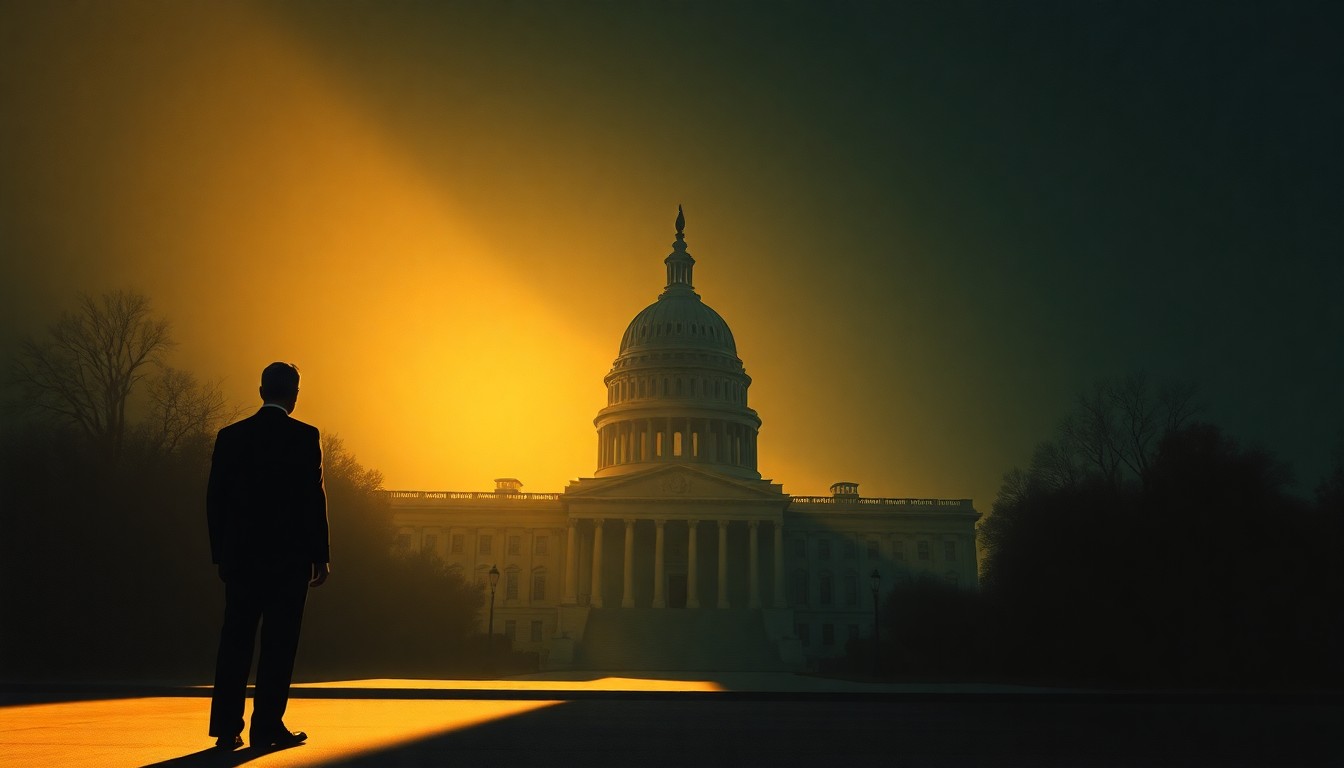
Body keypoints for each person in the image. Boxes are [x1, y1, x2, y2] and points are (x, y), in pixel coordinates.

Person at [206, 362, 330, 750]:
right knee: (279, 645)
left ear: (261, 391)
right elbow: (314, 501)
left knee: (235, 643)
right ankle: (267, 727)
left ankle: (227, 729)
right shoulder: (305, 437)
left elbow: (216, 501)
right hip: (288, 561)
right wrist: (320, 555)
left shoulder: (231, 436)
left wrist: (221, 554)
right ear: (294, 396)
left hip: (241, 559)